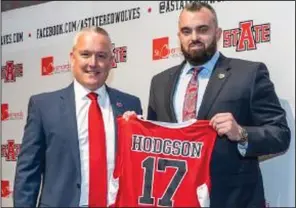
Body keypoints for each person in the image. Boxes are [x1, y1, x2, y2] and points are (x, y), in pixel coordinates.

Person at [146, 2, 290, 208]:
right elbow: (153, 141)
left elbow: (281, 135)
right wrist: (134, 128)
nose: (194, 37)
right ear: (179, 36)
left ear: (218, 32)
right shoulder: (159, 82)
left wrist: (242, 133)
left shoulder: (249, 74)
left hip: (232, 200)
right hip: (173, 198)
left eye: (202, 29)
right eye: (186, 31)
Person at [13, 26, 142, 207]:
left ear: (111, 61)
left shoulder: (130, 105)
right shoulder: (43, 106)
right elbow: (27, 173)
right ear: (72, 58)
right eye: (85, 54)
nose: (93, 63)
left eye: (101, 56)